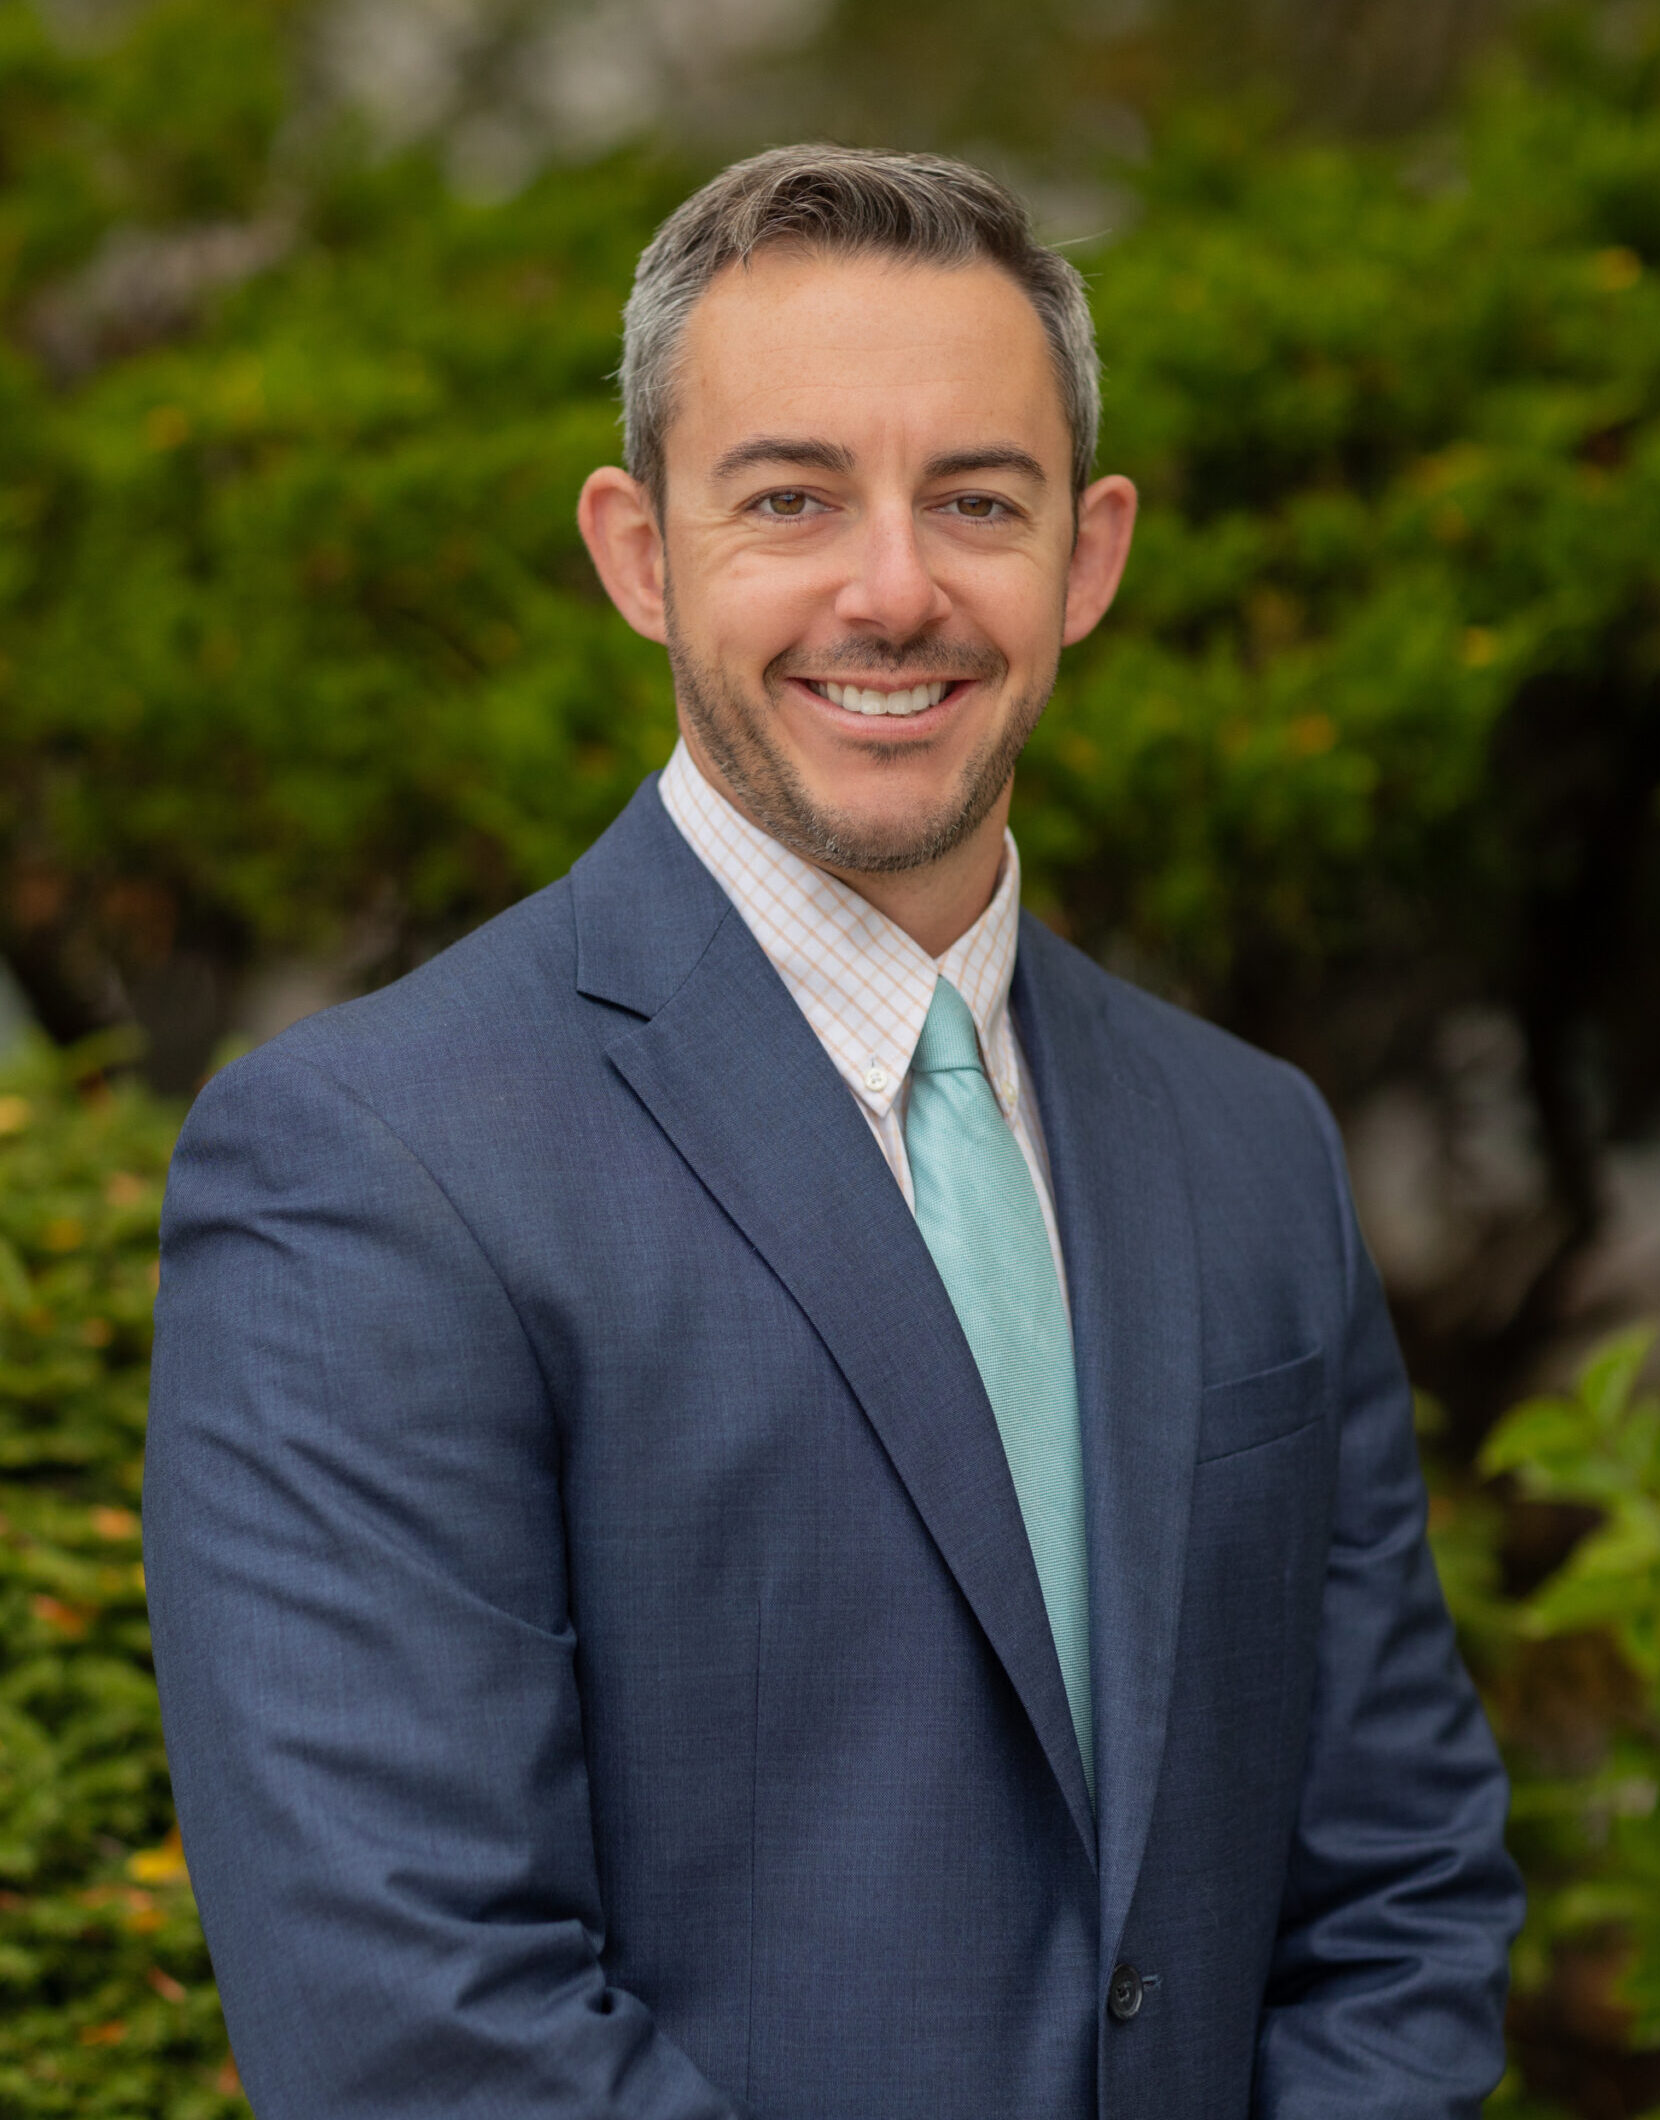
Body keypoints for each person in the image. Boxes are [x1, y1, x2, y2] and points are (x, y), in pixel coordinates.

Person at [143, 146, 1523, 2120]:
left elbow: (1395, 1891)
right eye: (790, 499)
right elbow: (420, 2029)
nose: (893, 589)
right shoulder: (367, 1165)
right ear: (640, 552)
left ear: (1089, 556)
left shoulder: (1251, 1148)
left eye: (976, 499)